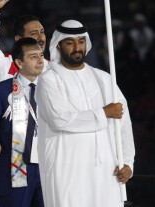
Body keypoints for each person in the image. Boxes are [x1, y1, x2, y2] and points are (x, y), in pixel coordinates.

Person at [34, 19, 136, 207]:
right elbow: (59, 119)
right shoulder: (48, 80)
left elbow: (123, 124)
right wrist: (103, 113)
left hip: (106, 169)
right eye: (70, 42)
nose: (76, 47)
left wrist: (127, 161)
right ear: (58, 45)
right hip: (67, 169)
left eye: (81, 41)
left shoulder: (103, 79)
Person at [0, 38, 45, 207]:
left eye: (41, 55)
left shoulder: (52, 89)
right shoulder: (0, 91)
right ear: (19, 62)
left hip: (47, 165)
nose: (40, 60)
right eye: (33, 56)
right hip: (15, 167)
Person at [0, 0, 49, 84]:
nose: (40, 37)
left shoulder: (51, 67)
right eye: (34, 33)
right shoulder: (5, 65)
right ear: (19, 39)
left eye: (42, 32)